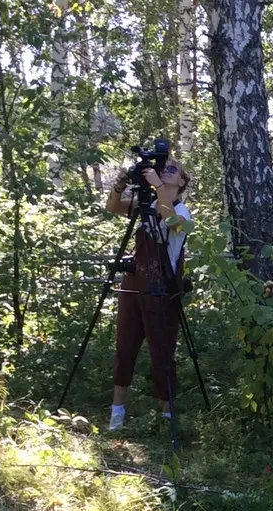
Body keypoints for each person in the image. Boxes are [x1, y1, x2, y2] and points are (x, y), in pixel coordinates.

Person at [105, 158, 193, 431]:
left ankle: (167, 416)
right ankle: (117, 413)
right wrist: (120, 185)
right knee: (125, 346)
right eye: (163, 168)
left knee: (162, 351)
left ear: (181, 183)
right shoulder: (147, 206)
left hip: (162, 290)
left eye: (172, 170)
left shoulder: (183, 212)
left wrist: (158, 187)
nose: (165, 171)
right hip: (134, 285)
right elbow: (112, 207)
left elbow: (173, 222)